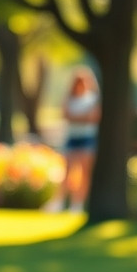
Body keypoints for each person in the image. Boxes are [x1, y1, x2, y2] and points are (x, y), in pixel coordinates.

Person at [48, 66, 101, 213]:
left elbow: (93, 117)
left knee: (84, 173)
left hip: (87, 138)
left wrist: (76, 117)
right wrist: (82, 117)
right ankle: (59, 202)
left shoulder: (92, 99)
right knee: (67, 171)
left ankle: (77, 204)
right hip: (72, 138)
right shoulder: (70, 98)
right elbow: (66, 114)